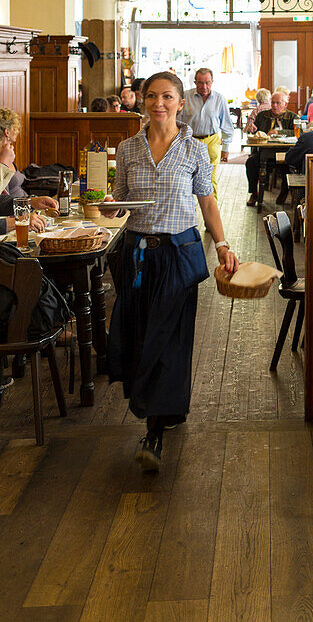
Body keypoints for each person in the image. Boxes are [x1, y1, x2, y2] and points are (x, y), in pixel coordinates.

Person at [105, 71, 237, 471]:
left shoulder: (195, 150)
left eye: (166, 97)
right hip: (136, 256)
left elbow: (207, 202)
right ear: (142, 102)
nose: (158, 103)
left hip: (179, 255)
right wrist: (111, 205)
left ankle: (154, 432)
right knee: (142, 335)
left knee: (169, 339)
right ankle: (167, 410)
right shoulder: (128, 150)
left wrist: (224, 245)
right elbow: (123, 201)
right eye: (151, 96)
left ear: (182, 103)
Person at [181, 67, 234, 201]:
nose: (204, 86)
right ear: (195, 82)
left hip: (212, 140)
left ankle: (212, 210)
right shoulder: (185, 97)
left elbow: (227, 125)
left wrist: (226, 148)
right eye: (200, 83)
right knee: (186, 177)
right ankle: (188, 208)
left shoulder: (220, 99)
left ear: (212, 82)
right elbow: (177, 122)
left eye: (207, 83)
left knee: (211, 178)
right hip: (190, 141)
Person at [246, 91, 296, 206]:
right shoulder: (262, 115)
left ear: (285, 104)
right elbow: (255, 132)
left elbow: (299, 132)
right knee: (251, 162)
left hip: (285, 153)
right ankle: (254, 193)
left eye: (278, 103)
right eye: (273, 102)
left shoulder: (292, 116)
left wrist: (280, 132)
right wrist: (252, 129)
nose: (274, 105)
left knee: (289, 167)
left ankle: (285, 190)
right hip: (265, 152)